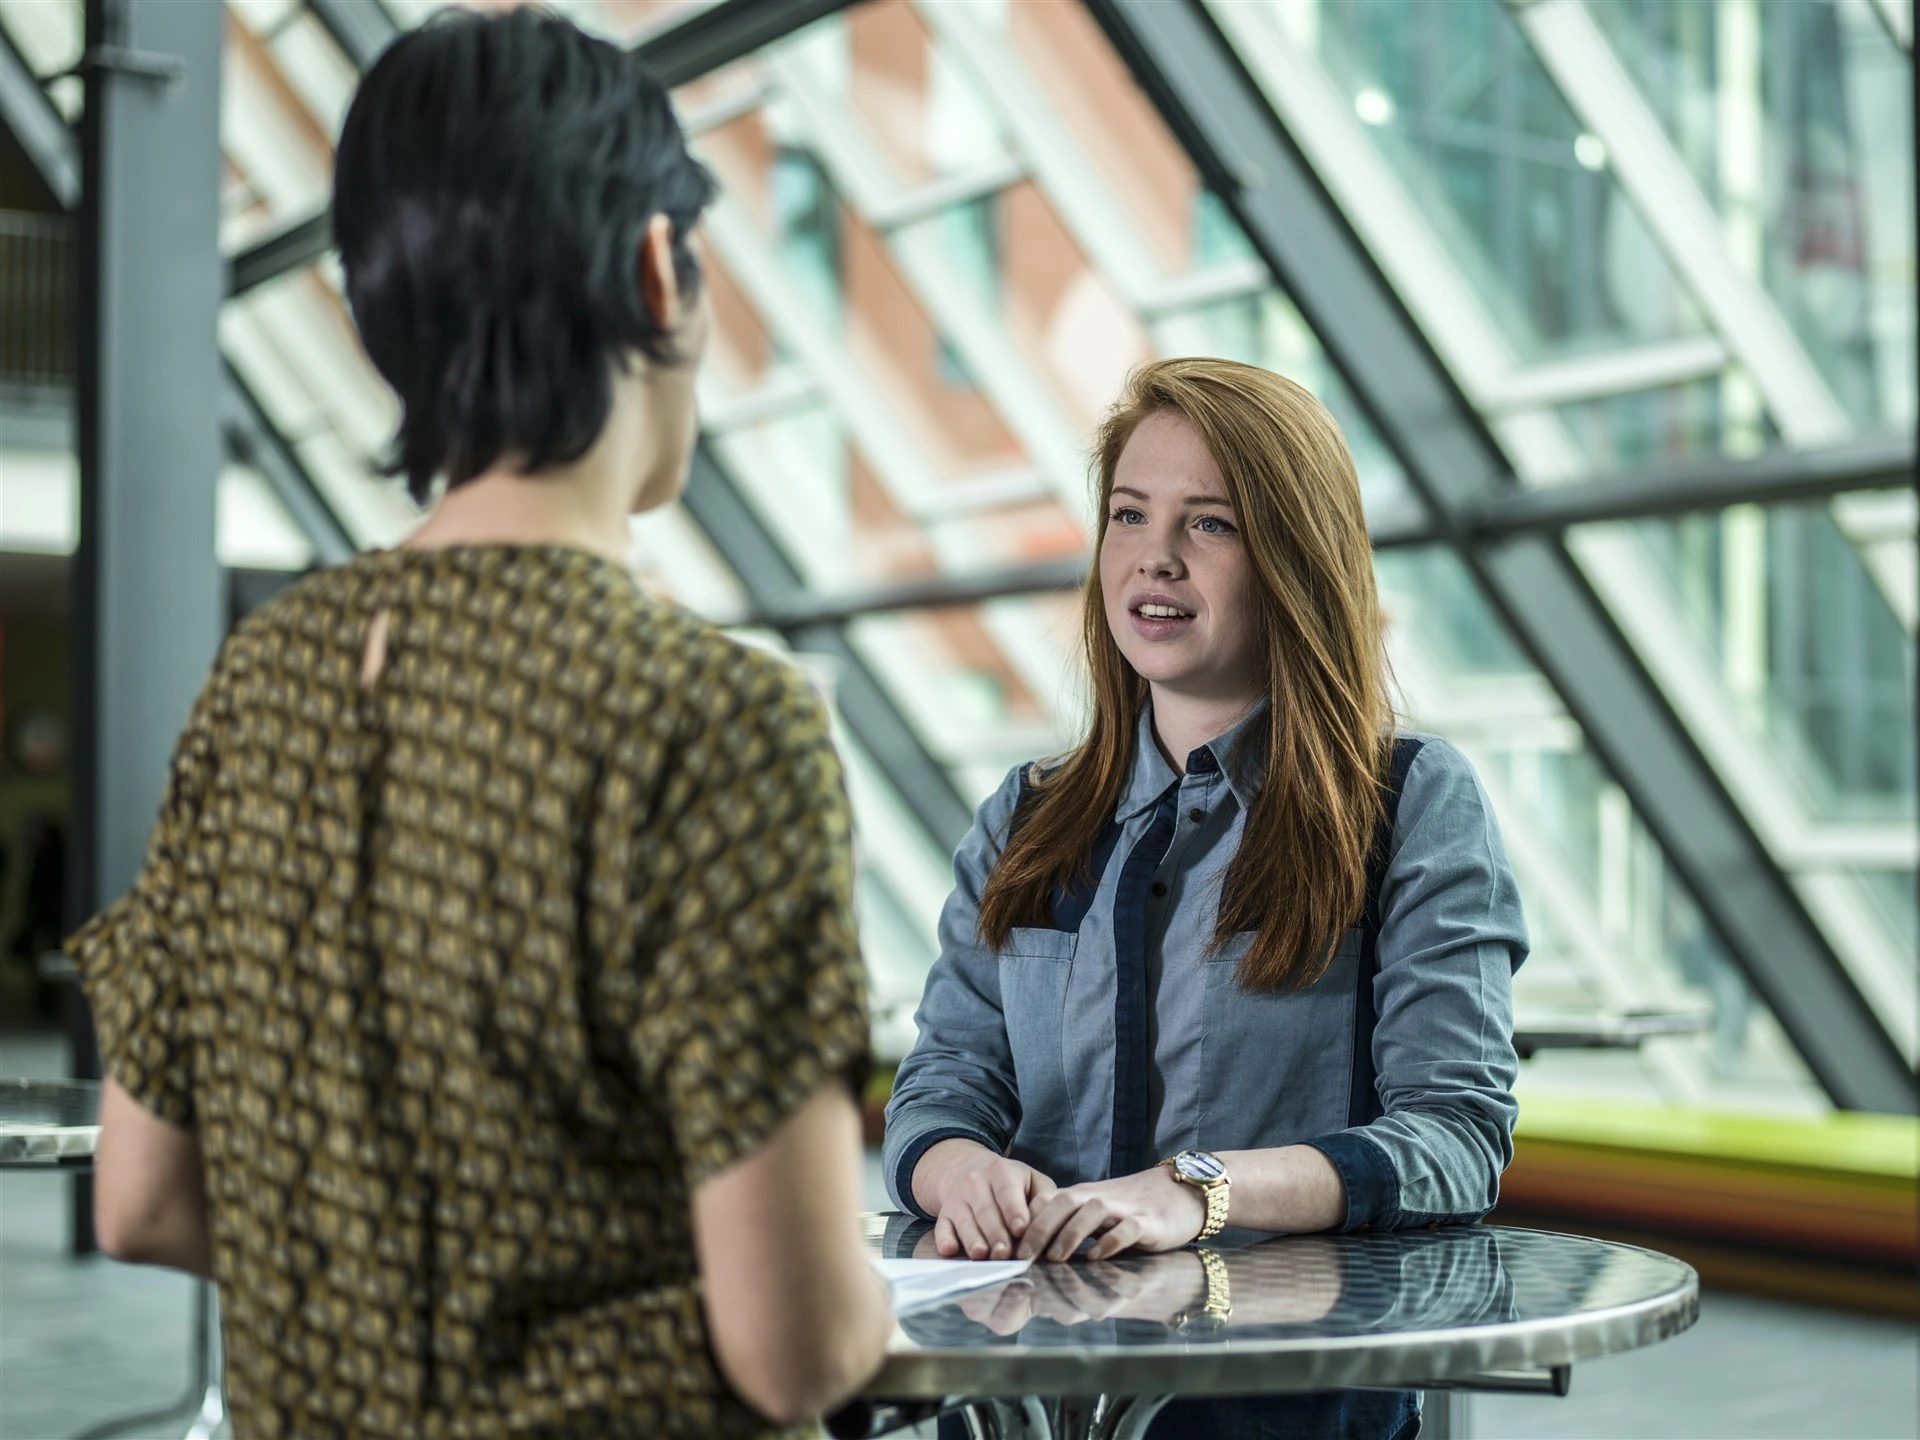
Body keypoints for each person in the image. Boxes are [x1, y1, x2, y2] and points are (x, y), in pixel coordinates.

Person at [71, 11, 891, 1436]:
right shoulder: (710, 720)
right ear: (657, 265)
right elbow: (796, 1346)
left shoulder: (261, 683)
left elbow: (142, 1196)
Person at [882, 357, 1528, 1440]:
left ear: (1292, 557)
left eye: (1210, 525)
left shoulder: (1409, 803)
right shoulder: (1024, 819)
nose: (1155, 558)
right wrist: (960, 1174)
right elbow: (942, 1081)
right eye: (1129, 515)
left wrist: (1197, 1190)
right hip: (1025, 1404)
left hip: (1280, 1409)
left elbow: (1456, 1136)